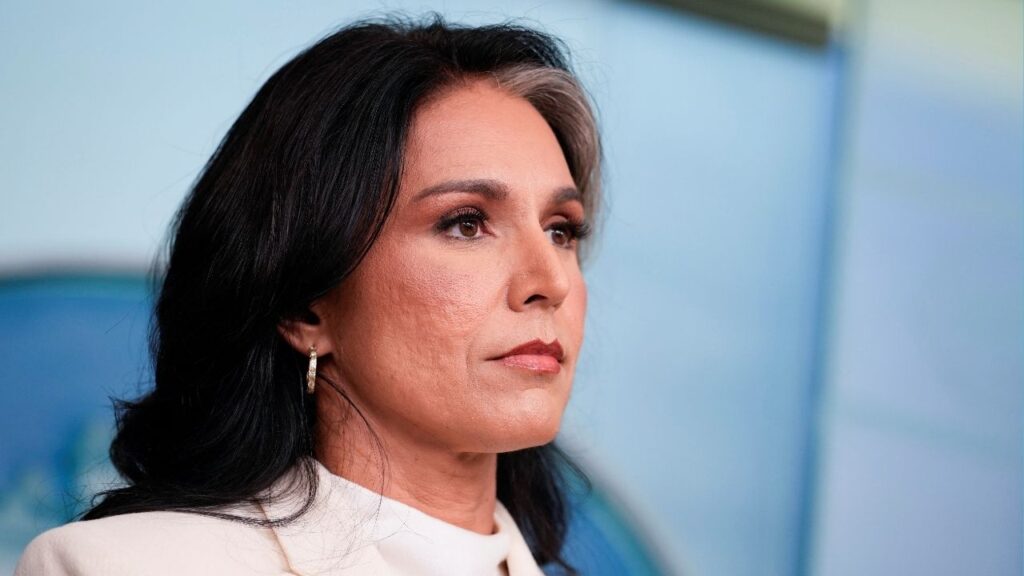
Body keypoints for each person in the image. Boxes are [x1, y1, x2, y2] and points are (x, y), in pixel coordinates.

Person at [15, 13, 601, 576]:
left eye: (561, 230)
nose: (549, 281)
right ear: (305, 304)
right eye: (466, 223)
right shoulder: (115, 568)